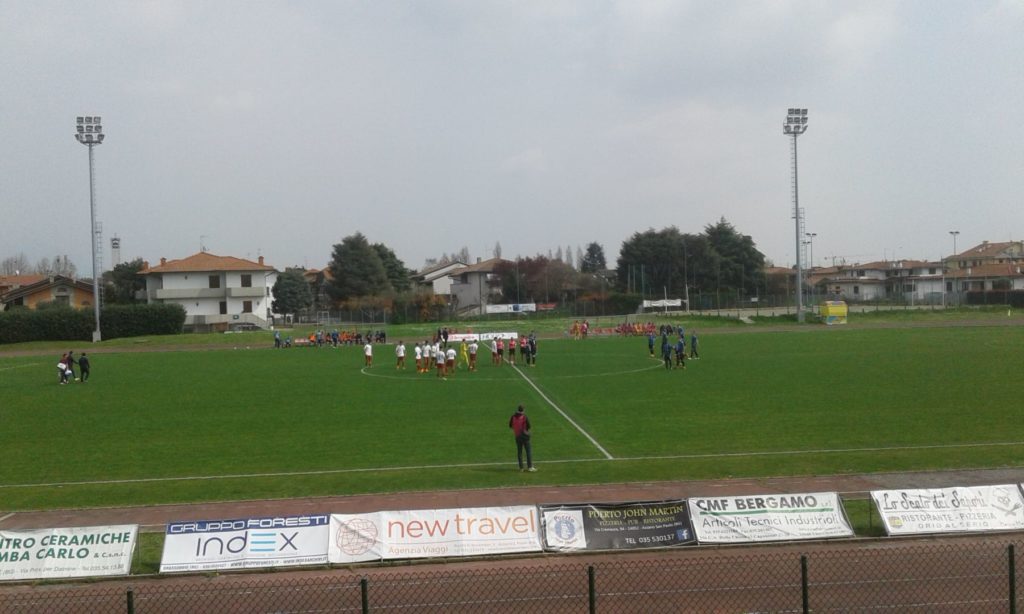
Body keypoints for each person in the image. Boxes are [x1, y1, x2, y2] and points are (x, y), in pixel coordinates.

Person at [508, 404, 535, 472]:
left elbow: (510, 425)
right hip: (524, 436)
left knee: (519, 452)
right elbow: (529, 426)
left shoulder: (513, 416)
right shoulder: (524, 417)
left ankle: (521, 468)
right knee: (528, 451)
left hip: (517, 436)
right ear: (523, 410)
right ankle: (530, 467)